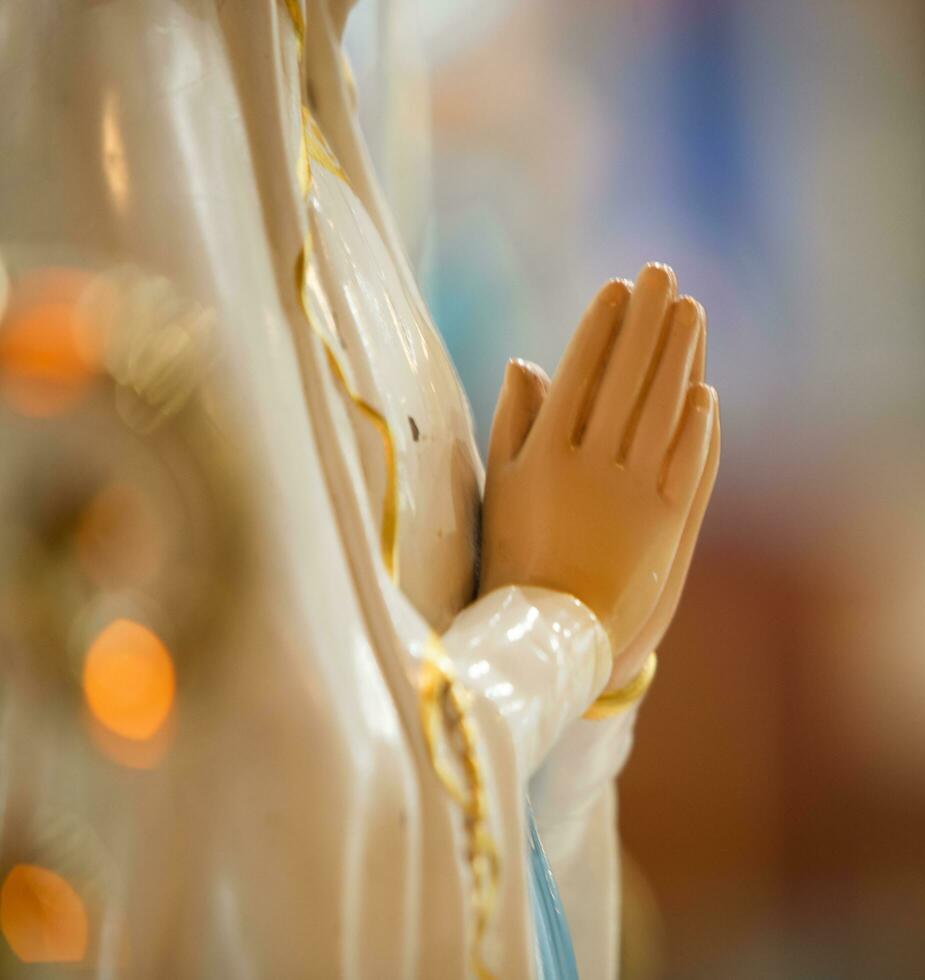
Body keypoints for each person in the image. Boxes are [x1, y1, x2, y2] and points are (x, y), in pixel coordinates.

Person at [0, 0, 719, 976]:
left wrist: (589, 702)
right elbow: (272, 852)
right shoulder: (132, 64)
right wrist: (554, 623)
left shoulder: (304, 91)